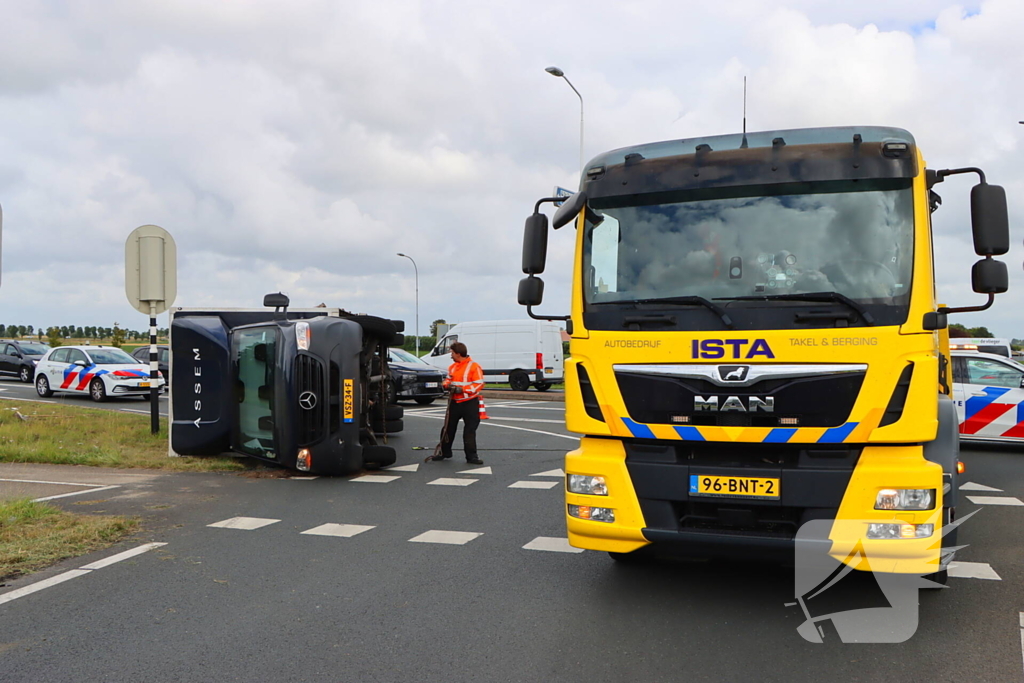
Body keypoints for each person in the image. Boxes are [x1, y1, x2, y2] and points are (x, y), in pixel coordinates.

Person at [431, 341, 485, 464]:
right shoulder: (453, 367)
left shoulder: (474, 366)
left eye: (452, 353)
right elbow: (448, 379)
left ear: (458, 354)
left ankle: (472, 457)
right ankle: (445, 452)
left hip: (470, 403)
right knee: (447, 429)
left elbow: (478, 384)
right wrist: (446, 385)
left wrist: (462, 389)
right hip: (455, 403)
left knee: (469, 431)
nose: (451, 356)